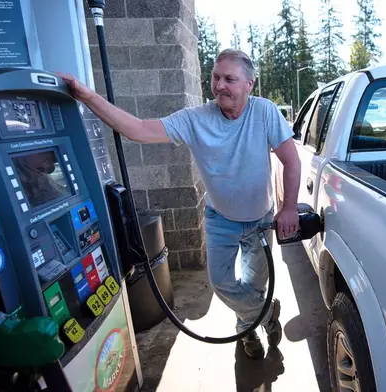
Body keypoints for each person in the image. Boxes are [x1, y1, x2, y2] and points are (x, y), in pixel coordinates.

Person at [57, 48, 301, 359]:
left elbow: (291, 161)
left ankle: (247, 327)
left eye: (230, 79)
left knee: (255, 285)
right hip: (220, 218)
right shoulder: (195, 119)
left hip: (261, 216)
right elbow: (139, 129)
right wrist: (87, 96)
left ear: (249, 84)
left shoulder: (265, 112)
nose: (220, 85)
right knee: (222, 282)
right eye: (215, 77)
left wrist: (289, 207)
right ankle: (266, 314)